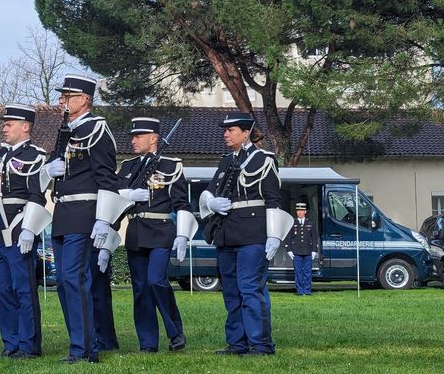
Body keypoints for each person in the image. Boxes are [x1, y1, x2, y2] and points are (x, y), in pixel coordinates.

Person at [199, 112, 290, 356]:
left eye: (231, 130)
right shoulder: (225, 162)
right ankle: (237, 343)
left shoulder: (264, 160)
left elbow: (273, 199)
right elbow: (208, 191)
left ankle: (260, 344)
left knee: (250, 289)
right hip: (227, 234)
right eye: (225, 130)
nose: (225, 134)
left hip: (253, 234)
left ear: (246, 132)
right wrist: (211, 202)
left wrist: (273, 235)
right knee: (231, 291)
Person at [44, 76, 121, 363]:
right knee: (64, 282)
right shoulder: (66, 131)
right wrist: (49, 171)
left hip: (85, 213)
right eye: (62, 96)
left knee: (74, 279)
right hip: (63, 214)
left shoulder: (96, 129)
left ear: (84, 99)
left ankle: (85, 349)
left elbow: (106, 178)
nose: (62, 100)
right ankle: (80, 344)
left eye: (68, 96)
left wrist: (104, 220)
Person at [113, 117, 197, 352]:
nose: (133, 140)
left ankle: (175, 332)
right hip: (136, 231)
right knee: (140, 289)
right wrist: (129, 195)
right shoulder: (128, 166)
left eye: (138, 136)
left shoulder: (171, 166)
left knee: (156, 280)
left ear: (153, 138)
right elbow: (113, 194)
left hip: (160, 231)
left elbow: (182, 203)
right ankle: (147, 342)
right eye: (133, 136)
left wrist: (183, 234)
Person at [0, 104, 49, 359]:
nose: (4, 127)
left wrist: (29, 229)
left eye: (10, 123)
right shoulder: (1, 155)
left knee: (23, 289)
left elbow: (36, 195)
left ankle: (28, 344)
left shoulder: (35, 156)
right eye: (4, 123)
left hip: (20, 227)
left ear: (25, 126)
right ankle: (11, 343)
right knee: (1, 289)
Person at [286, 202, 317, 295]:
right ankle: (300, 291)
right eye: (298, 210)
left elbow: (314, 238)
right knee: (298, 272)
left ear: (305, 211)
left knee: (307, 272)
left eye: (301, 210)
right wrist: (289, 249)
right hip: (296, 251)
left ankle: (307, 291)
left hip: (308, 251)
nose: (299, 212)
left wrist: (314, 250)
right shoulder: (292, 223)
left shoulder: (311, 223)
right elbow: (288, 237)